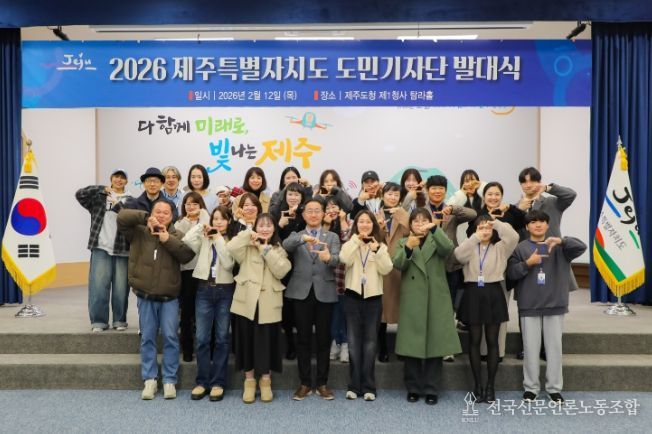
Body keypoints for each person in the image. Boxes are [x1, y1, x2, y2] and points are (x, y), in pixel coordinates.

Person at [117, 201, 195, 400]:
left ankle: (169, 380)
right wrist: (146, 219)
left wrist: (167, 239)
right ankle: (150, 379)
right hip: (145, 295)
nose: (161, 215)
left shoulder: (177, 234)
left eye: (166, 212)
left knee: (170, 337)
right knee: (148, 337)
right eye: (157, 212)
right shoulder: (139, 232)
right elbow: (122, 217)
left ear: (172, 216)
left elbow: (187, 255)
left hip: (170, 297)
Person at [507, 210, 586, 405]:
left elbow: (581, 247)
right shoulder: (520, 248)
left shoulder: (559, 246)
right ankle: (531, 388)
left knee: (554, 349)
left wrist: (561, 241)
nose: (538, 225)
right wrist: (528, 263)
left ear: (548, 225)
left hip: (555, 304)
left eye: (542, 221)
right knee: (530, 349)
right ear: (527, 227)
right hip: (529, 305)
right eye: (533, 222)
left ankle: (554, 389)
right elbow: (511, 274)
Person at [393, 208, 461, 405]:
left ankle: (432, 388)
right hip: (413, 299)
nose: (420, 224)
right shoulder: (403, 242)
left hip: (435, 298)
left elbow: (448, 249)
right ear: (410, 225)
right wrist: (408, 248)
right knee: (411, 346)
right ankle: (413, 388)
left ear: (430, 222)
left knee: (435, 346)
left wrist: (435, 229)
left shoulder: (436, 239)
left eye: (424, 220)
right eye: (416, 221)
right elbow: (397, 264)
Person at [227, 213, 291, 403]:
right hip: (246, 301)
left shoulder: (279, 249)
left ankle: (265, 381)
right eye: (261, 225)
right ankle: (249, 382)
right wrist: (248, 234)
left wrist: (264, 249)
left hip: (268, 303)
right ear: (255, 227)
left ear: (274, 228)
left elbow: (282, 270)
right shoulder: (247, 246)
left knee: (266, 344)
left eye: (269, 225)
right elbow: (231, 247)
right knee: (246, 341)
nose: (265, 229)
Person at [455, 215, 518, 404]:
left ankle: (490, 386)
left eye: (487, 228)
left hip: (493, 292)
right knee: (474, 341)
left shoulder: (501, 248)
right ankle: (477, 385)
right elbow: (458, 255)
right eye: (480, 227)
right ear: (475, 230)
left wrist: (495, 222)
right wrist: (475, 237)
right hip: (473, 291)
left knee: (492, 341)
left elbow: (513, 236)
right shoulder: (470, 245)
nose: (484, 231)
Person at [283, 197, 341, 401]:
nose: (314, 214)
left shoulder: (332, 236)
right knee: (303, 339)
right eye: (310, 211)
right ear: (304, 214)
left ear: (324, 214)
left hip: (325, 291)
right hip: (301, 292)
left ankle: (322, 383)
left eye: (317, 210)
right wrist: (303, 238)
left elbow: (337, 259)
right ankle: (305, 383)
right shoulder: (297, 235)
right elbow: (286, 245)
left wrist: (329, 258)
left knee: (324, 339)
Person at [182, 205, 237, 402]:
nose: (218, 222)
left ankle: (218, 383)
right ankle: (202, 382)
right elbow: (187, 240)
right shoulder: (204, 237)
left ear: (228, 221)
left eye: (222, 219)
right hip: (204, 290)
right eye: (215, 219)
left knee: (221, 338)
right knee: (202, 338)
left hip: (225, 290)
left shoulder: (231, 240)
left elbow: (229, 263)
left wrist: (218, 238)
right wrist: (201, 225)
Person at [466, 181, 525, 362]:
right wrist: (486, 219)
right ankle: (483, 351)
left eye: (497, 194)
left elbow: (521, 225)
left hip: (502, 269)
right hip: (480, 270)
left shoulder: (509, 214)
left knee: (499, 313)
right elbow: (470, 235)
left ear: (502, 196)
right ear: (484, 197)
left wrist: (508, 210)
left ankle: (498, 352)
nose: (493, 197)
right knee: (480, 313)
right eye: (490, 194)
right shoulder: (478, 215)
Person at [339, 210, 393, 401]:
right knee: (353, 343)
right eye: (361, 222)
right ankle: (354, 386)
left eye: (368, 222)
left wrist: (376, 250)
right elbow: (344, 259)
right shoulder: (350, 243)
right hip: (352, 297)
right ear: (356, 225)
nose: (364, 225)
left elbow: (386, 268)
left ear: (373, 225)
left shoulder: (380, 246)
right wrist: (356, 240)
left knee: (370, 344)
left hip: (373, 299)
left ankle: (369, 386)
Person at [424, 175, 478, 362]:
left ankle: (446, 346)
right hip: (428, 265)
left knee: (448, 308)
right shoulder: (422, 211)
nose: (437, 191)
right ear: (428, 190)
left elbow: (473, 215)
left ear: (445, 191)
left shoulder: (451, 211)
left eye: (441, 188)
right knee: (430, 306)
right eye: (433, 188)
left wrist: (453, 208)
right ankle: (429, 344)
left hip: (449, 264)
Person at [75, 169, 133, 332]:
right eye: (116, 177)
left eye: (123, 178)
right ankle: (99, 321)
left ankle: (119, 320)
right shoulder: (99, 197)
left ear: (127, 181)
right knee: (98, 286)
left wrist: (117, 204)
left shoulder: (131, 200)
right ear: (111, 179)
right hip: (100, 246)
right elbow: (80, 194)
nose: (119, 180)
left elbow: (130, 218)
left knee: (121, 288)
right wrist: (101, 188)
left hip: (122, 249)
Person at [272, 182, 308, 361]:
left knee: (299, 308)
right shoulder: (277, 213)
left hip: (302, 265)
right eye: (290, 194)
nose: (293, 197)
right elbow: (271, 239)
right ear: (285, 196)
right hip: (282, 265)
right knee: (285, 307)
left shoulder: (306, 214)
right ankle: (290, 345)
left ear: (302, 197)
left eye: (297, 194)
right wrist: (279, 224)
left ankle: (302, 345)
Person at [174, 192, 210, 362]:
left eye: (195, 204)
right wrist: (187, 220)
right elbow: (180, 241)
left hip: (204, 271)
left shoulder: (207, 219)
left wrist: (202, 215)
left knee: (203, 312)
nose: (191, 207)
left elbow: (208, 229)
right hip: (187, 271)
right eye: (188, 204)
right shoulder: (179, 222)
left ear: (201, 206)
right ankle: (187, 348)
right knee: (187, 312)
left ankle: (206, 347)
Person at [376, 182, 410, 363]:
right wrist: (381, 228)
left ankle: (403, 348)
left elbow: (410, 232)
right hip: (381, 267)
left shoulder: (404, 213)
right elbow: (373, 238)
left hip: (400, 266)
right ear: (383, 195)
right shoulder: (376, 214)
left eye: (396, 195)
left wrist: (401, 214)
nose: (392, 197)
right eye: (389, 194)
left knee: (402, 309)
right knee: (381, 311)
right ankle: (382, 348)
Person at [323, 196, 351, 364]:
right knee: (333, 314)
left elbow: (347, 242)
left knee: (343, 311)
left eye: (335, 207)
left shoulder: (349, 223)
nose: (331, 210)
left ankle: (344, 343)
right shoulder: (321, 225)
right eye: (328, 207)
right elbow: (319, 245)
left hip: (343, 276)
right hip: (326, 276)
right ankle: (336, 341)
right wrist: (326, 225)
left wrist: (342, 220)